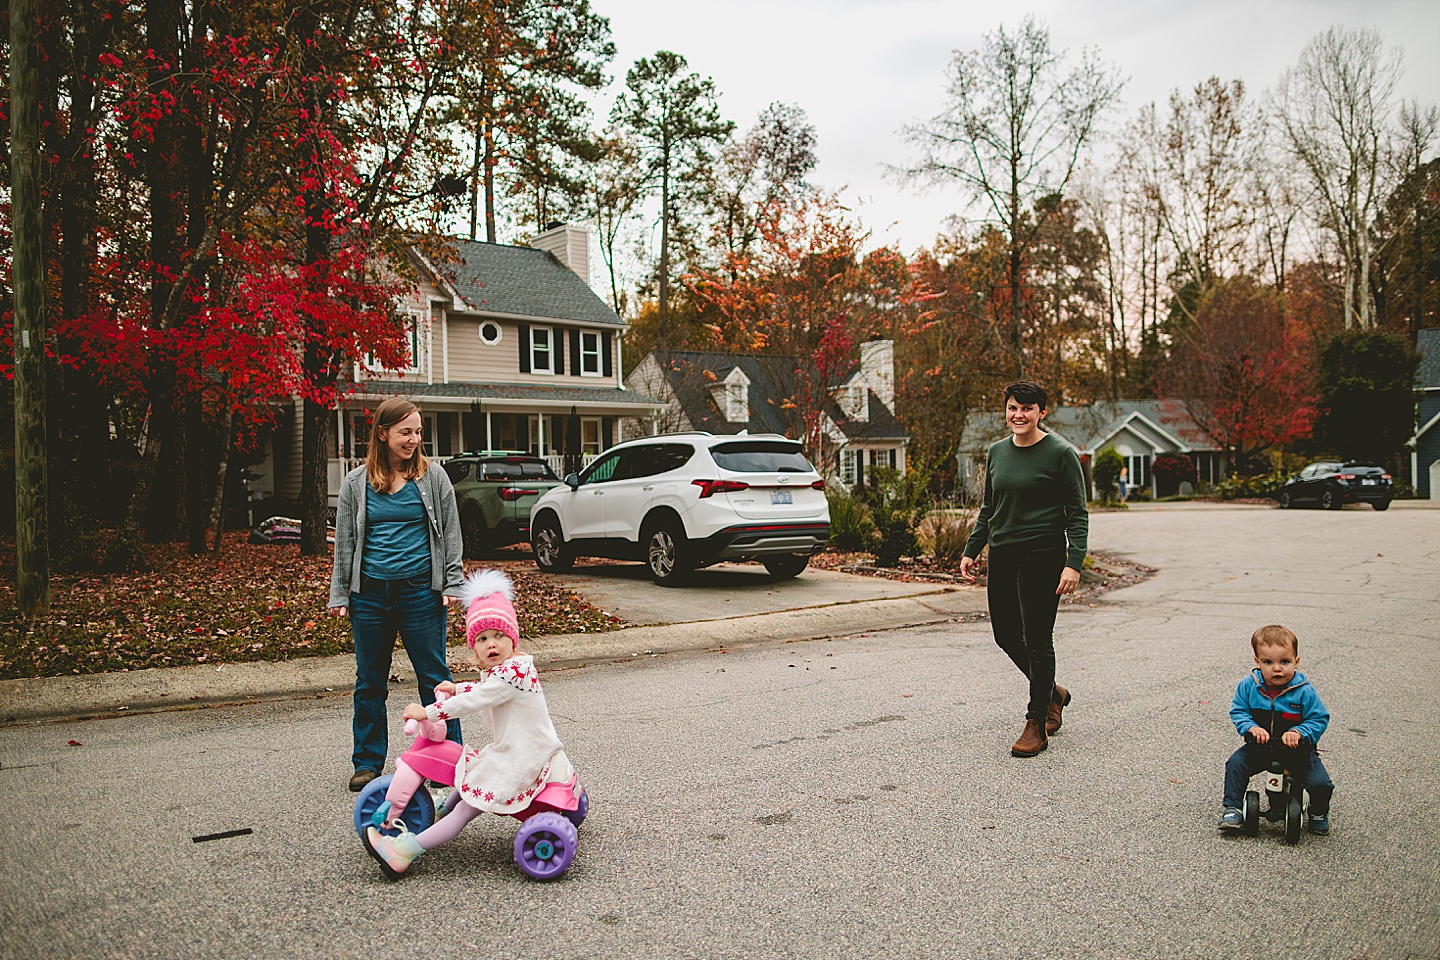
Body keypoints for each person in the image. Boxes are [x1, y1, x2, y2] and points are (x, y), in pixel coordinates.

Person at [362, 569, 579, 878]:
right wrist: (457, 688)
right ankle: (441, 811)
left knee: (467, 806)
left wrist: (429, 713)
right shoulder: (508, 671)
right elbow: (483, 691)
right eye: (482, 638)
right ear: (474, 647)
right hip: (523, 750)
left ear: (512, 637)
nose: (491, 644)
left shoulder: (514, 672)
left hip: (522, 759)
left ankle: (403, 851)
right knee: (473, 771)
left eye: (499, 635)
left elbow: (478, 700)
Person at [329, 397, 464, 792]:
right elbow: (346, 543)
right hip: (369, 596)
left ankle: (447, 758)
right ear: (383, 433)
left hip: (420, 592)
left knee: (435, 679)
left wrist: (451, 583)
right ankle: (368, 763)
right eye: (406, 432)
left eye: (418, 431)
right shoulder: (356, 483)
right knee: (369, 682)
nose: (414, 439)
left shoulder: (433, 477)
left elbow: (450, 534)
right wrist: (341, 594)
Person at [959, 380, 1088, 758]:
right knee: (1005, 636)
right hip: (1003, 554)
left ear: (1041, 413)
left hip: (1043, 556)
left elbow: (1077, 513)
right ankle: (1053, 692)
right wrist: (973, 547)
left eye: (1028, 409)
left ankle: (1037, 722)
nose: (1019, 415)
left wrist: (1073, 562)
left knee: (1036, 639)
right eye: (1013, 407)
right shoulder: (997, 452)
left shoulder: (1060, 453)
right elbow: (989, 507)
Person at [1218, 624, 1333, 835]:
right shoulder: (1249, 686)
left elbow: (1319, 718)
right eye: (1268, 662)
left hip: (1297, 749)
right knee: (1236, 764)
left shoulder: (1303, 691)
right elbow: (1239, 711)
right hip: (1261, 747)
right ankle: (1232, 808)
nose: (1277, 668)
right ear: (1257, 662)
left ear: (1296, 661)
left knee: (1320, 783)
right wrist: (1251, 727)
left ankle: (1318, 812)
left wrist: (1300, 732)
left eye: (1285, 662)